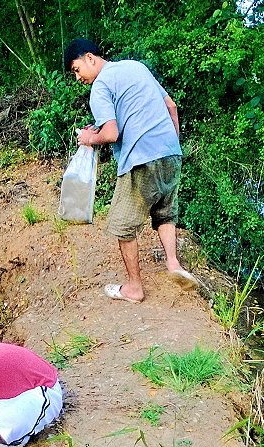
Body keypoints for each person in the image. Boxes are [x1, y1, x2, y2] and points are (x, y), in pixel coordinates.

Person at [63, 38, 198, 303]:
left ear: (90, 58)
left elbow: (112, 134)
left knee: (123, 226)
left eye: (77, 69)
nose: (78, 77)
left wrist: (89, 139)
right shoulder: (135, 67)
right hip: (170, 152)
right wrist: (172, 144)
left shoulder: (100, 86)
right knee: (165, 212)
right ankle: (173, 264)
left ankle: (134, 288)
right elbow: (171, 106)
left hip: (140, 159)